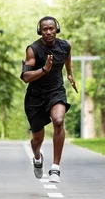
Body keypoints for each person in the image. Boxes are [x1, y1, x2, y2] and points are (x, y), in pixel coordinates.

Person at [20, 16, 77, 183]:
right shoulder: (33, 49)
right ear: (40, 31)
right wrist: (44, 69)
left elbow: (67, 56)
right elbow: (25, 76)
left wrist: (69, 73)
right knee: (37, 140)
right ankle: (37, 158)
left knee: (58, 121)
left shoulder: (65, 46)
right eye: (44, 29)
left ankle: (55, 168)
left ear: (56, 29)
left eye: (51, 28)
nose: (48, 32)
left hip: (55, 91)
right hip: (35, 97)